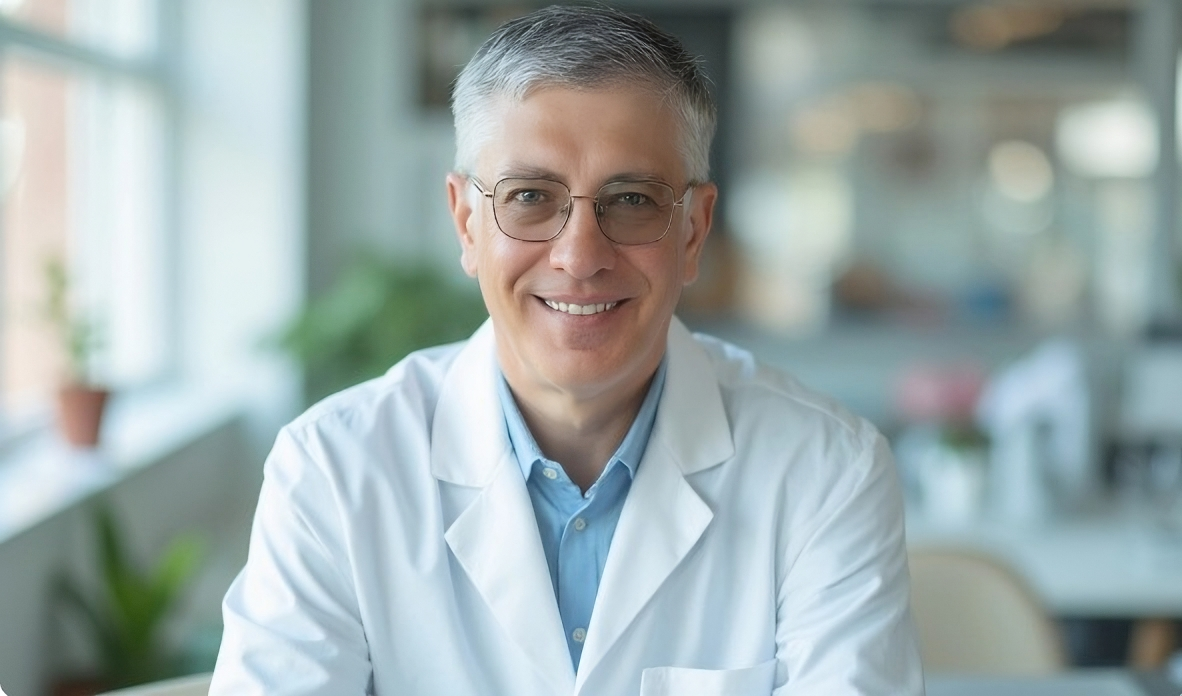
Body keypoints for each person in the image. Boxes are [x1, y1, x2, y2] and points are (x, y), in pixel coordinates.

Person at [210, 6, 923, 695]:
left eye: (633, 199)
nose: (580, 256)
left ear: (695, 233)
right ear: (465, 222)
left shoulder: (827, 472)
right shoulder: (333, 471)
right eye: (529, 196)